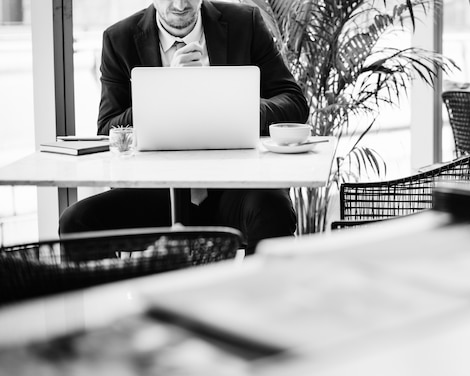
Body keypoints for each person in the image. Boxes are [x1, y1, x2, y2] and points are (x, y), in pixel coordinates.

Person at [59, 0, 309, 255]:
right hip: (155, 192)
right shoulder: (119, 38)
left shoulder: (245, 23)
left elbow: (294, 102)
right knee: (77, 221)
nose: (180, 4)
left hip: (235, 187)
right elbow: (108, 127)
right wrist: (166, 87)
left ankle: (246, 292)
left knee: (273, 208)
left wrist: (241, 108)